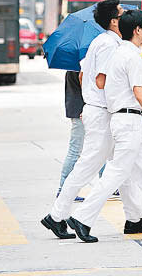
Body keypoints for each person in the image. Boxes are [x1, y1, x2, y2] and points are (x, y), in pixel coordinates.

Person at [67, 9, 142, 243]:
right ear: (137, 30)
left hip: (130, 120)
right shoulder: (130, 56)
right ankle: (82, 218)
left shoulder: (121, 53)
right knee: (116, 173)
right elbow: (139, 93)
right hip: (129, 120)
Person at [41, 0, 142, 240]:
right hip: (103, 112)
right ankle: (58, 215)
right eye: (121, 14)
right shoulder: (110, 45)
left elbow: (83, 76)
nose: (125, 17)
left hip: (99, 109)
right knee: (90, 166)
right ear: (113, 21)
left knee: (122, 166)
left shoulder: (101, 41)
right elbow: (102, 80)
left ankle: (136, 217)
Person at [56, 71, 86, 202]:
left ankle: (108, 185)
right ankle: (63, 190)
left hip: (79, 111)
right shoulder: (80, 67)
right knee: (75, 151)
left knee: (99, 148)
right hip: (82, 112)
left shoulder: (71, 67)